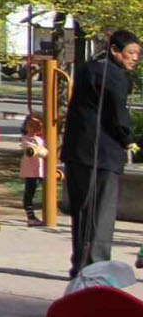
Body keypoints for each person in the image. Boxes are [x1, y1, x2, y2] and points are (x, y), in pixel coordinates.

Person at [62, 29, 139, 277]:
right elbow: (117, 114)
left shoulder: (87, 69)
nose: (135, 58)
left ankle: (81, 265)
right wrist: (128, 140)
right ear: (115, 50)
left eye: (138, 53)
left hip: (77, 151)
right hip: (101, 153)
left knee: (82, 212)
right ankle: (96, 267)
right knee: (101, 214)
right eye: (131, 52)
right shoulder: (114, 75)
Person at [19, 113, 48, 223]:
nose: (34, 128)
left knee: (47, 191)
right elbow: (34, 150)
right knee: (29, 192)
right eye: (31, 125)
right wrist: (43, 151)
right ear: (25, 127)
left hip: (43, 170)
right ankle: (30, 216)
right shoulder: (26, 139)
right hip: (31, 171)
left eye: (37, 125)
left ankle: (48, 213)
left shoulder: (43, 138)